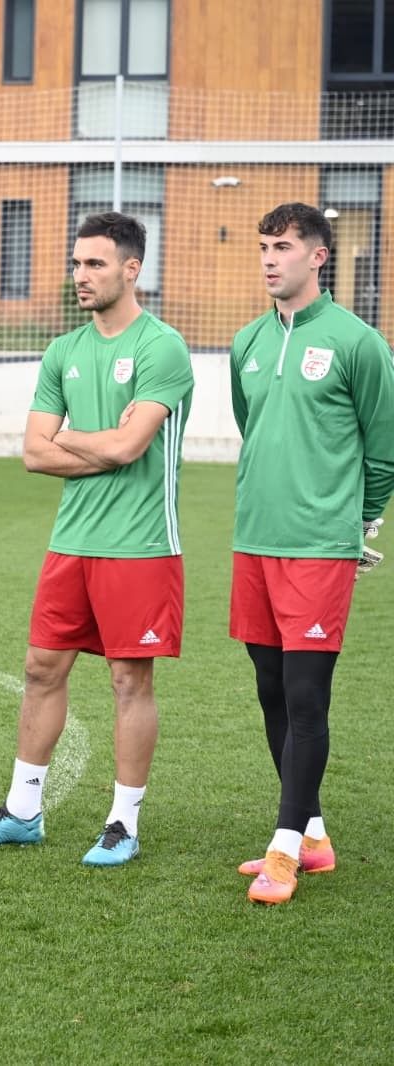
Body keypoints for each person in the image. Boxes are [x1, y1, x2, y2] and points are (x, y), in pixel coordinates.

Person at [0, 212, 193, 867]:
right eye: (77, 263)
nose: (80, 276)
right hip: (71, 542)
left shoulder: (160, 347)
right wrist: (100, 443)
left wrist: (78, 438)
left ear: (131, 268)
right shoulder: (63, 351)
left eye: (95, 264)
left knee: (127, 681)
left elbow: (130, 445)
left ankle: (122, 823)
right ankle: (23, 812)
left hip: (140, 545)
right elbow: (33, 453)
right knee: (40, 669)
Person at [228, 202, 394, 905]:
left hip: (320, 548)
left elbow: (383, 447)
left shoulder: (359, 343)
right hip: (254, 540)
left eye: (285, 246)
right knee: (269, 688)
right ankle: (315, 834)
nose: (270, 258)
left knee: (305, 697)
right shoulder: (246, 342)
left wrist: (357, 523)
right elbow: (251, 424)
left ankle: (285, 847)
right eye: (265, 246)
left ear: (318, 257)